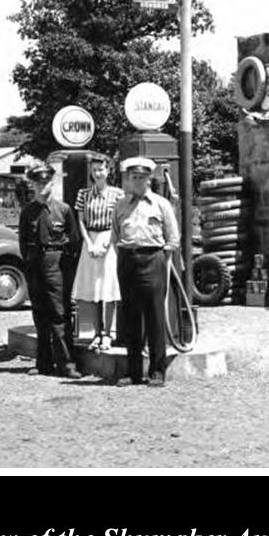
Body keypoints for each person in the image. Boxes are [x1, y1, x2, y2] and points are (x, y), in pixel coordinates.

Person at [112, 157, 180, 388]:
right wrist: (125, 256)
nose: (138, 181)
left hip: (153, 259)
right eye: (133, 177)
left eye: (142, 177)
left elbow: (173, 238)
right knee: (130, 317)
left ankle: (157, 371)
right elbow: (115, 237)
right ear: (128, 179)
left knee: (154, 316)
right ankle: (133, 372)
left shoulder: (161, 204)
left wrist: (162, 259)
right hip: (127, 259)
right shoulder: (121, 205)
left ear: (149, 178)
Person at [18, 166, 82, 379]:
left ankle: (67, 364)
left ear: (51, 184)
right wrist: (29, 267)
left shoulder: (63, 210)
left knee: (59, 313)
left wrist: (66, 271)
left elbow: (74, 243)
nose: (41, 186)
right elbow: (23, 244)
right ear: (33, 185)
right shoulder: (28, 212)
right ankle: (43, 363)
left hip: (57, 264)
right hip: (35, 265)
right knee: (40, 314)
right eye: (37, 183)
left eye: (45, 182)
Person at [72, 156, 124, 352]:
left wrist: (106, 244)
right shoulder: (83, 194)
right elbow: (81, 222)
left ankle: (108, 334)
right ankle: (95, 333)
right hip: (90, 241)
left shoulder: (117, 194)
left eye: (101, 169)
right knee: (94, 289)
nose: (98, 173)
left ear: (108, 171)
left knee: (108, 289)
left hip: (108, 241)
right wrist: (89, 244)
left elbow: (118, 222)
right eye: (94, 170)